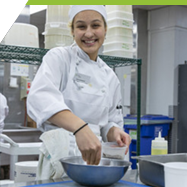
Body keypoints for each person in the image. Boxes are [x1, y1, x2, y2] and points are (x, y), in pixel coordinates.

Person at [27, 5, 131, 165]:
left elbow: (108, 121)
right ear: (73, 31)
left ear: (105, 30)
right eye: (81, 26)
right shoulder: (59, 58)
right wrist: (80, 128)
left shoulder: (110, 77)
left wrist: (114, 131)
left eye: (95, 25)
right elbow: (40, 98)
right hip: (58, 156)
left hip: (95, 159)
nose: (89, 33)